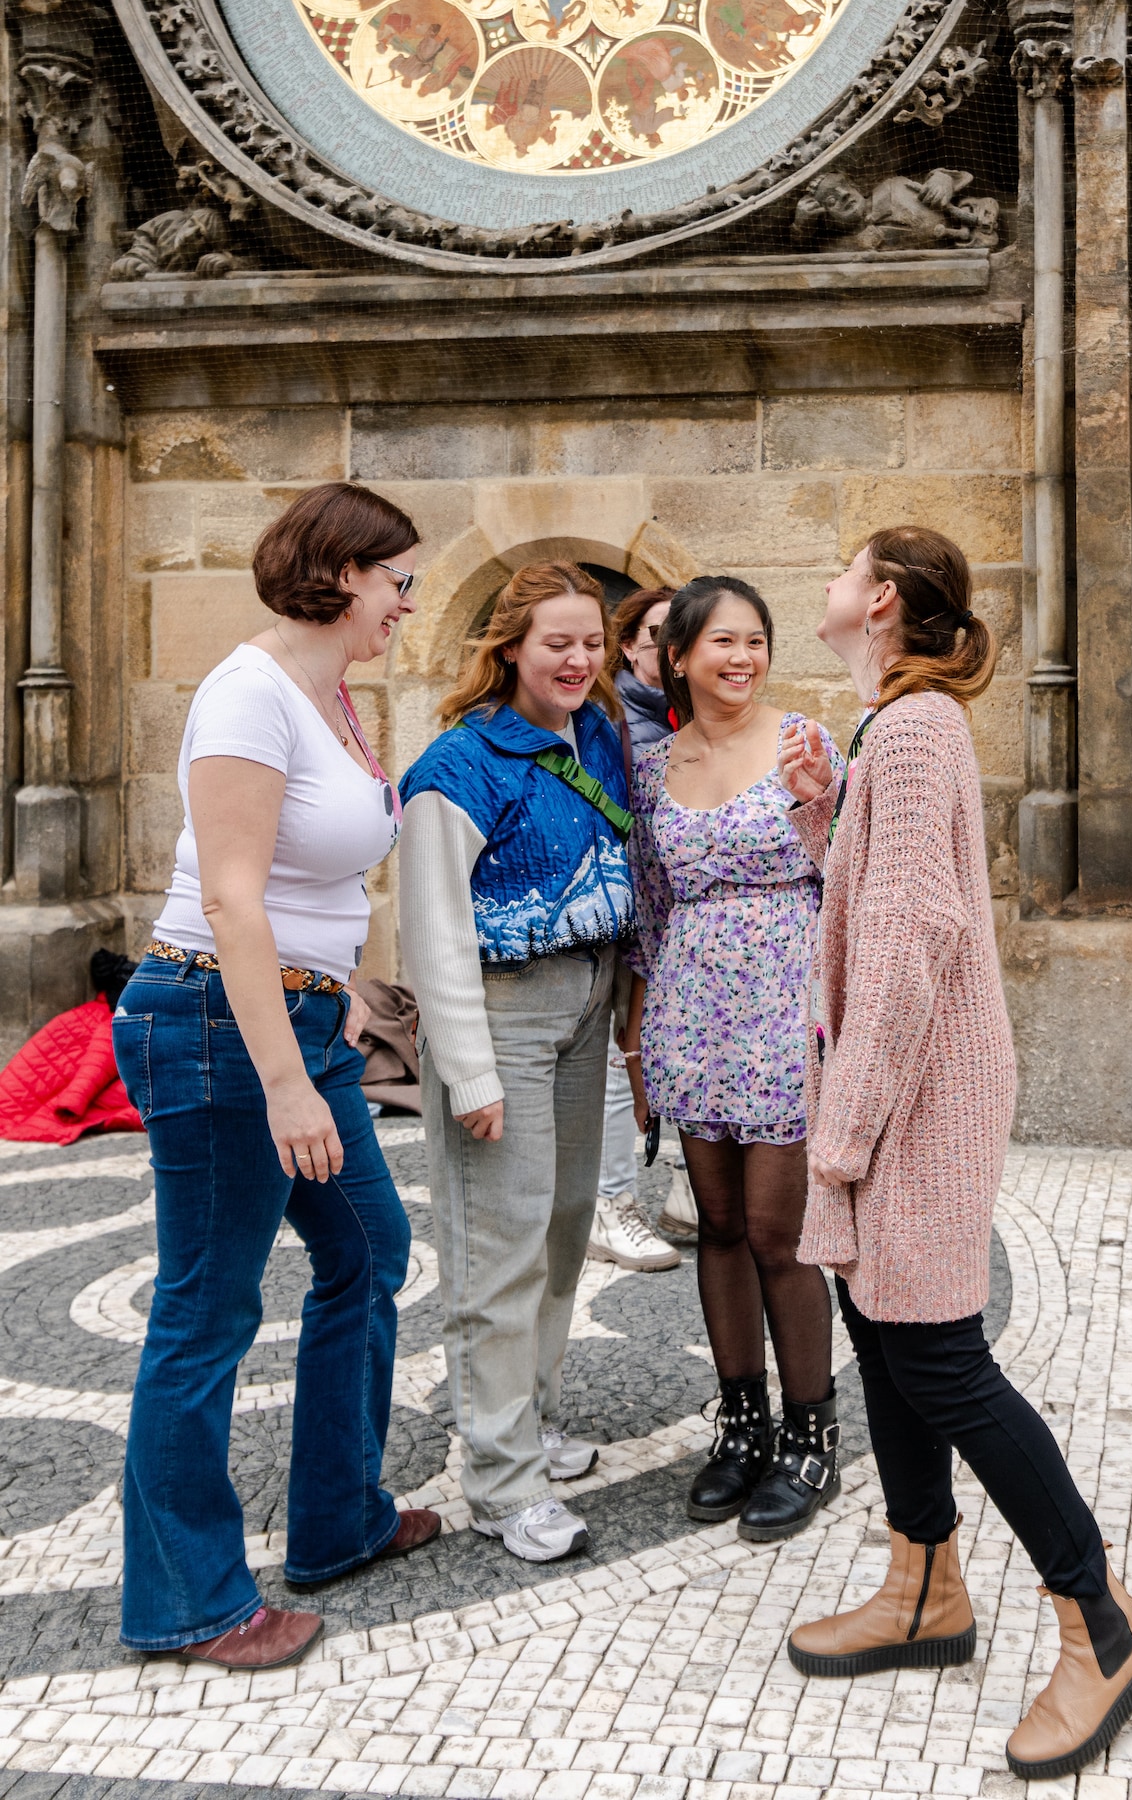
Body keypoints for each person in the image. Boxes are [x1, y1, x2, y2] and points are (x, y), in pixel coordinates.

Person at [780, 526, 1132, 1779]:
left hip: (914, 1102)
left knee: (939, 1356)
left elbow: (907, 945)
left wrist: (843, 1129)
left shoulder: (912, 729)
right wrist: (823, 813)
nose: (831, 587)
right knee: (884, 1333)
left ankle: (1101, 1624)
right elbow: (881, 900)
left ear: (880, 602)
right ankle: (924, 1585)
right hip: (901, 1094)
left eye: (846, 570)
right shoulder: (894, 735)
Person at [112, 482, 441, 1673]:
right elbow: (236, 896)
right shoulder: (248, 693)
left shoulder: (332, 698)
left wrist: (339, 989)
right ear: (345, 572)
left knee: (368, 1249)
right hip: (215, 1023)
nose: (410, 602)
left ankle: (338, 1516)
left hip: (293, 1018)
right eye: (400, 579)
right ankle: (189, 1600)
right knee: (206, 1308)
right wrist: (286, 1082)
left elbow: (311, 886)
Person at [396, 561, 634, 1563]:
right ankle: (499, 1481)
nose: (578, 660)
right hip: (501, 1014)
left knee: (564, 1229)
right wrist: (469, 1073)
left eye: (592, 642)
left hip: (584, 1003)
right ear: (509, 650)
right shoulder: (456, 767)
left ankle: (528, 1420)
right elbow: (433, 931)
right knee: (498, 1250)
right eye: (557, 643)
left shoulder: (600, 741)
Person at [623, 575, 845, 1543]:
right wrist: (639, 1038)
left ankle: (810, 1432)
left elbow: (852, 877)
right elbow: (649, 907)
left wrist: (817, 813)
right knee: (712, 1223)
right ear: (677, 656)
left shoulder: (805, 743)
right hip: (689, 1006)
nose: (742, 658)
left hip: (784, 1008)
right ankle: (741, 1422)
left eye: (754, 640)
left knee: (774, 1230)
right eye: (720, 641)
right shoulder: (648, 767)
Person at [587, 585, 684, 1272]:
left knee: (671, 1050)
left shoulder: (684, 712)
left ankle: (684, 1191)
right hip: (627, 915)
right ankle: (611, 1203)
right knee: (625, 1056)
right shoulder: (613, 716)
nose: (669, 647)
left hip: (678, 917)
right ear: (629, 645)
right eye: (656, 635)